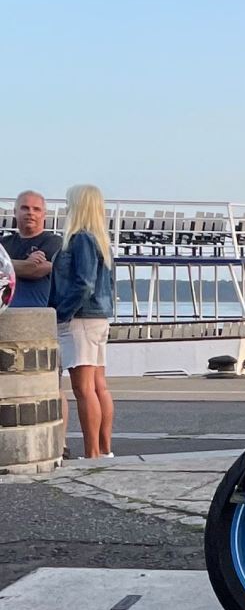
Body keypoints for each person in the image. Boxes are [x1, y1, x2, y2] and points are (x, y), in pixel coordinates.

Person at [50, 184, 114, 459]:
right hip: (97, 319)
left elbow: (84, 284)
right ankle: (103, 450)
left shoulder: (81, 239)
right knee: (99, 386)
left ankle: (92, 453)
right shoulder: (101, 241)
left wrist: (61, 312)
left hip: (81, 320)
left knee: (83, 388)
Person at [1, 190, 62, 308]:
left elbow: (35, 270)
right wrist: (26, 263)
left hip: (37, 316)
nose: (30, 213)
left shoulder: (54, 242)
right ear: (15, 212)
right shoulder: (3, 243)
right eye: (25, 208)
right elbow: (31, 267)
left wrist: (5, 265)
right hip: (4, 315)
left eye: (36, 209)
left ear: (44, 215)